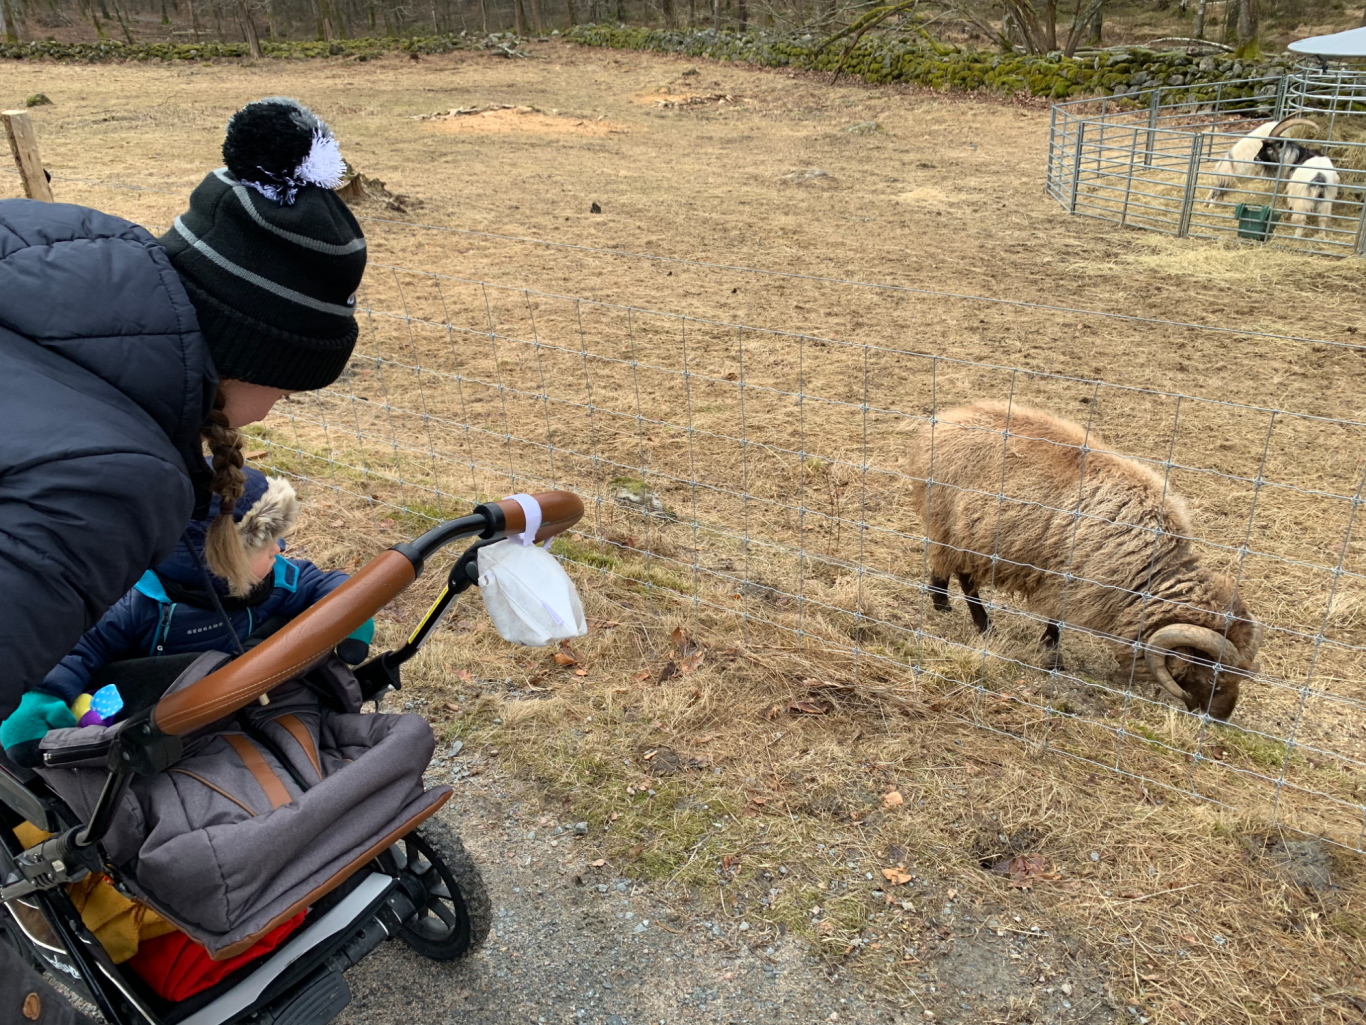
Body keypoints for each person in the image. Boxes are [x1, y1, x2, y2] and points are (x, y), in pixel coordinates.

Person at [0, 96, 366, 766]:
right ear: (251, 355)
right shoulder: (120, 479)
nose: (280, 403)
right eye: (288, 384)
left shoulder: (51, 244)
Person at [4, 468, 375, 764]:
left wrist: (351, 617)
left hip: (240, 703)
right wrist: (41, 698)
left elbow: (330, 587)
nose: (281, 548)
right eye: (265, 544)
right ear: (221, 563)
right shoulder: (138, 602)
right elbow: (77, 646)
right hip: (163, 719)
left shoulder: (278, 580)